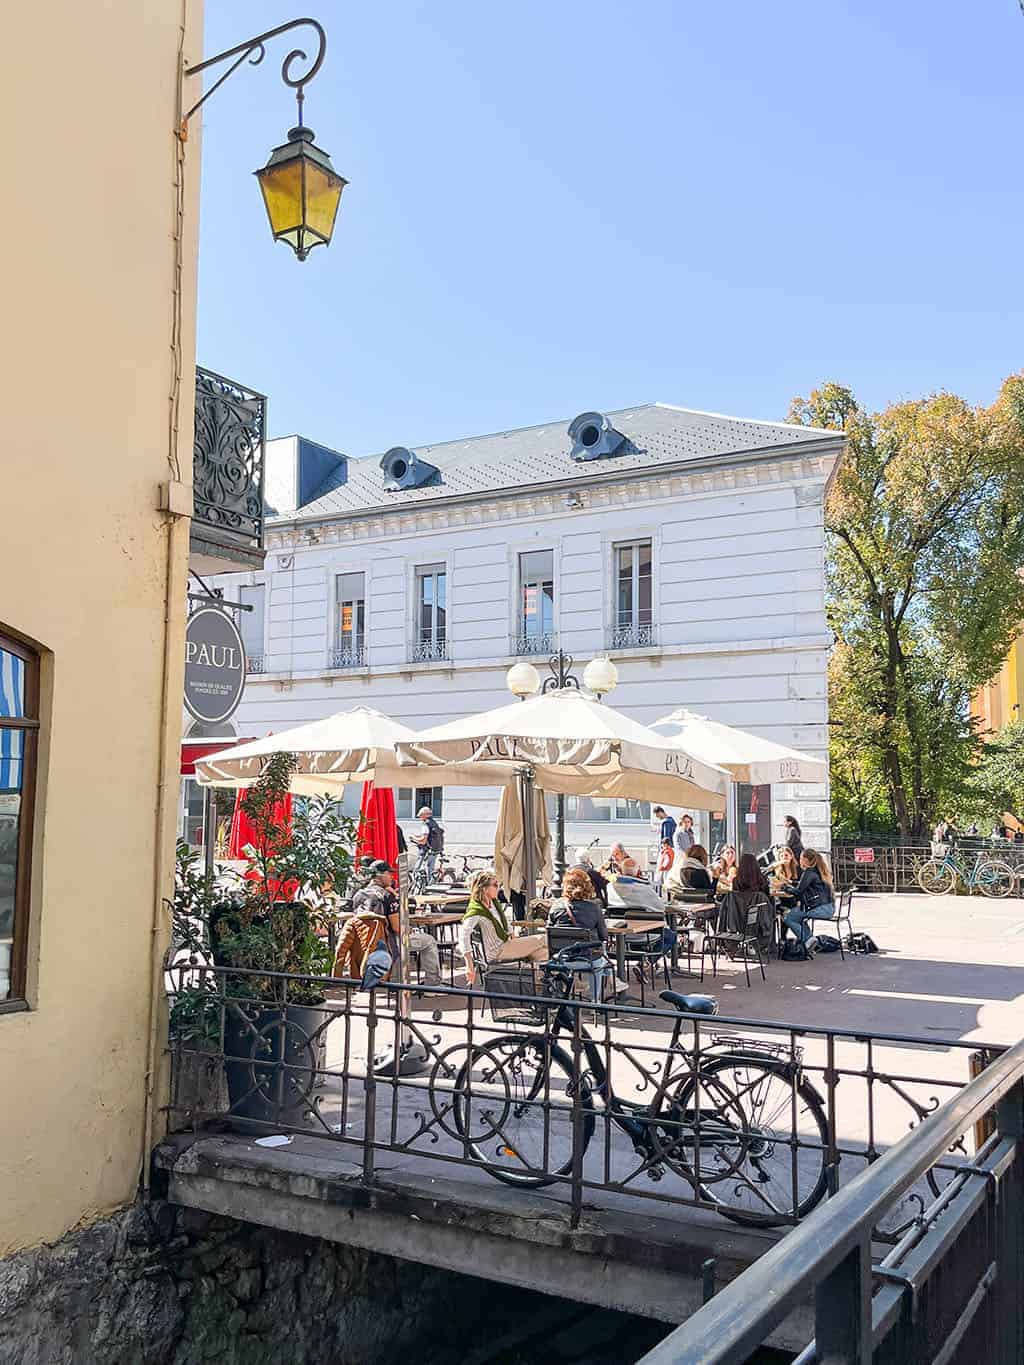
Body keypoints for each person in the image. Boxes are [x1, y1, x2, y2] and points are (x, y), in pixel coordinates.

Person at [334, 859, 443, 986]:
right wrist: (409, 928)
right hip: (388, 943)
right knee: (429, 940)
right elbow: (397, 928)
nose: (392, 877)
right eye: (389, 873)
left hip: (363, 943)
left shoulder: (358, 894)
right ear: (380, 875)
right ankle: (433, 984)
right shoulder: (386, 896)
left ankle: (395, 978)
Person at [549, 867, 629, 998]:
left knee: (597, 952)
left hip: (562, 959)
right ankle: (595, 1001)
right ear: (587, 886)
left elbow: (550, 931)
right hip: (588, 960)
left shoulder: (556, 906)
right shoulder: (594, 908)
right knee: (599, 955)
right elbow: (604, 936)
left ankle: (565, 998)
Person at [459, 868, 548, 984]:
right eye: (495, 885)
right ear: (484, 889)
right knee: (544, 938)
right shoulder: (476, 910)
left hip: (506, 945)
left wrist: (514, 938)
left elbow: (505, 922)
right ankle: (540, 986)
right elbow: (463, 936)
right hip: (497, 951)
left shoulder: (493, 904)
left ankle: (538, 987)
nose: (499, 887)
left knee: (543, 953)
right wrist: (469, 965)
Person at [717, 854, 775, 956]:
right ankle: (767, 946)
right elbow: (767, 901)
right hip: (758, 920)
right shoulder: (762, 881)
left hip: (737, 921)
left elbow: (734, 901)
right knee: (773, 908)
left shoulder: (736, 881)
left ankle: (737, 945)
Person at [780, 849, 834, 957]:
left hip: (817, 908)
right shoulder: (819, 871)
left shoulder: (809, 872)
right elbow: (804, 885)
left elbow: (799, 892)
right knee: (798, 917)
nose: (800, 860)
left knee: (788, 918)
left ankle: (808, 940)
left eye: (801, 858)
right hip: (828, 908)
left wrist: (784, 888)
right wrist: (791, 883)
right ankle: (810, 941)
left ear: (805, 859)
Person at [411, 805, 444, 882]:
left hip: (427, 850)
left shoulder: (426, 824)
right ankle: (431, 885)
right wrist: (418, 836)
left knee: (418, 869)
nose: (420, 818)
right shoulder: (434, 823)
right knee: (430, 869)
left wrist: (413, 838)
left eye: (421, 815)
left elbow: (423, 840)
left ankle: (422, 886)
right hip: (435, 850)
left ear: (426, 815)